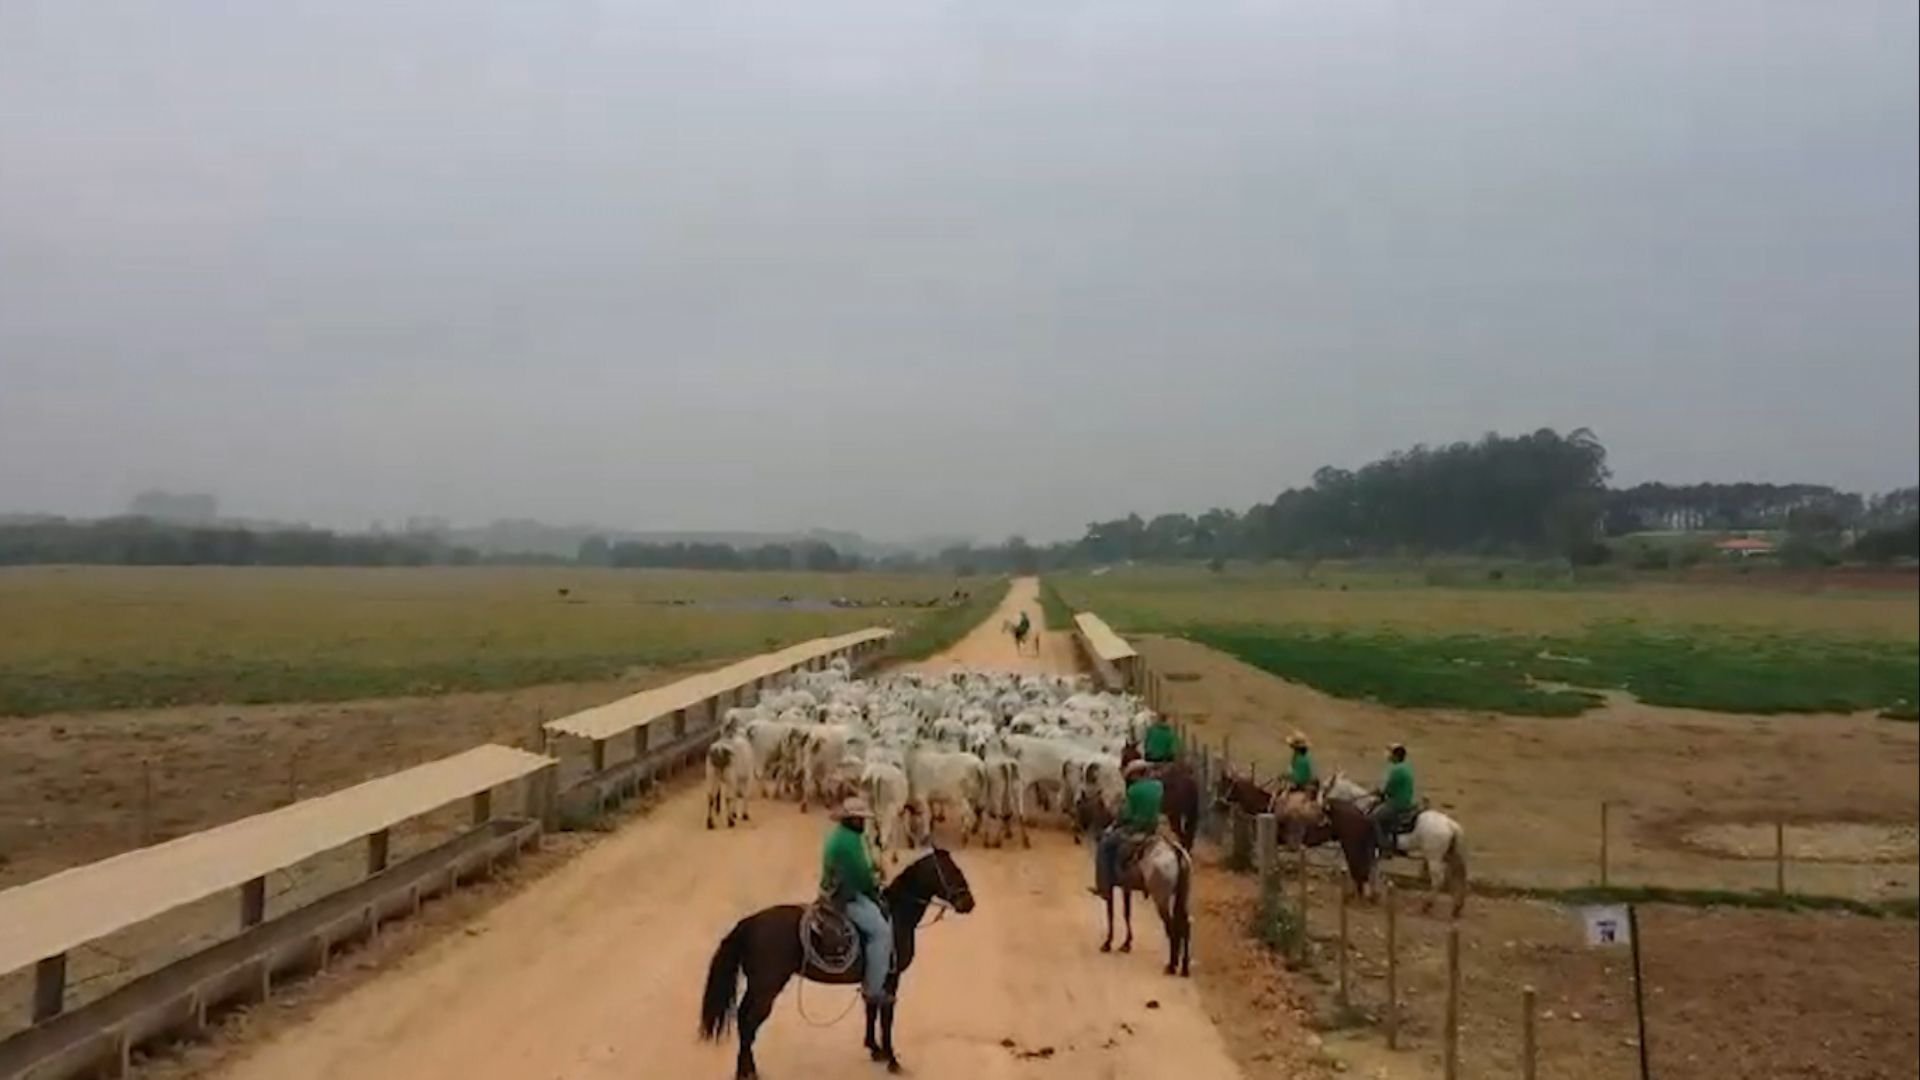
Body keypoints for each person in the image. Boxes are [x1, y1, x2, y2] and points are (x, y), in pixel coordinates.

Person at [822, 796, 892, 1004]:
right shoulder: (850, 842)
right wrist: (875, 887)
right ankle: (873, 989)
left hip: (835, 891)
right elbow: (861, 877)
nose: (863, 823)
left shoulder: (842, 836)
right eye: (860, 820)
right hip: (846, 897)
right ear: (851, 821)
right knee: (881, 932)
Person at [1091, 760, 1164, 897]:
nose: (1130, 778)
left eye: (1131, 776)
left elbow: (1126, 815)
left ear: (1136, 775)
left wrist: (1116, 822)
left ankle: (1103, 887)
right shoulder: (1158, 786)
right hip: (1154, 829)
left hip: (1135, 829)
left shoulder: (1133, 790)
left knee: (1104, 845)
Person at [1370, 744, 1417, 855]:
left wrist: (1378, 793)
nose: (1388, 756)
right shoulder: (1408, 766)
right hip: (1408, 801)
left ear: (1395, 756)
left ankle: (1384, 846)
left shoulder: (1396, 770)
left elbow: (1388, 789)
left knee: (1373, 819)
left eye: (1390, 753)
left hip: (1397, 803)